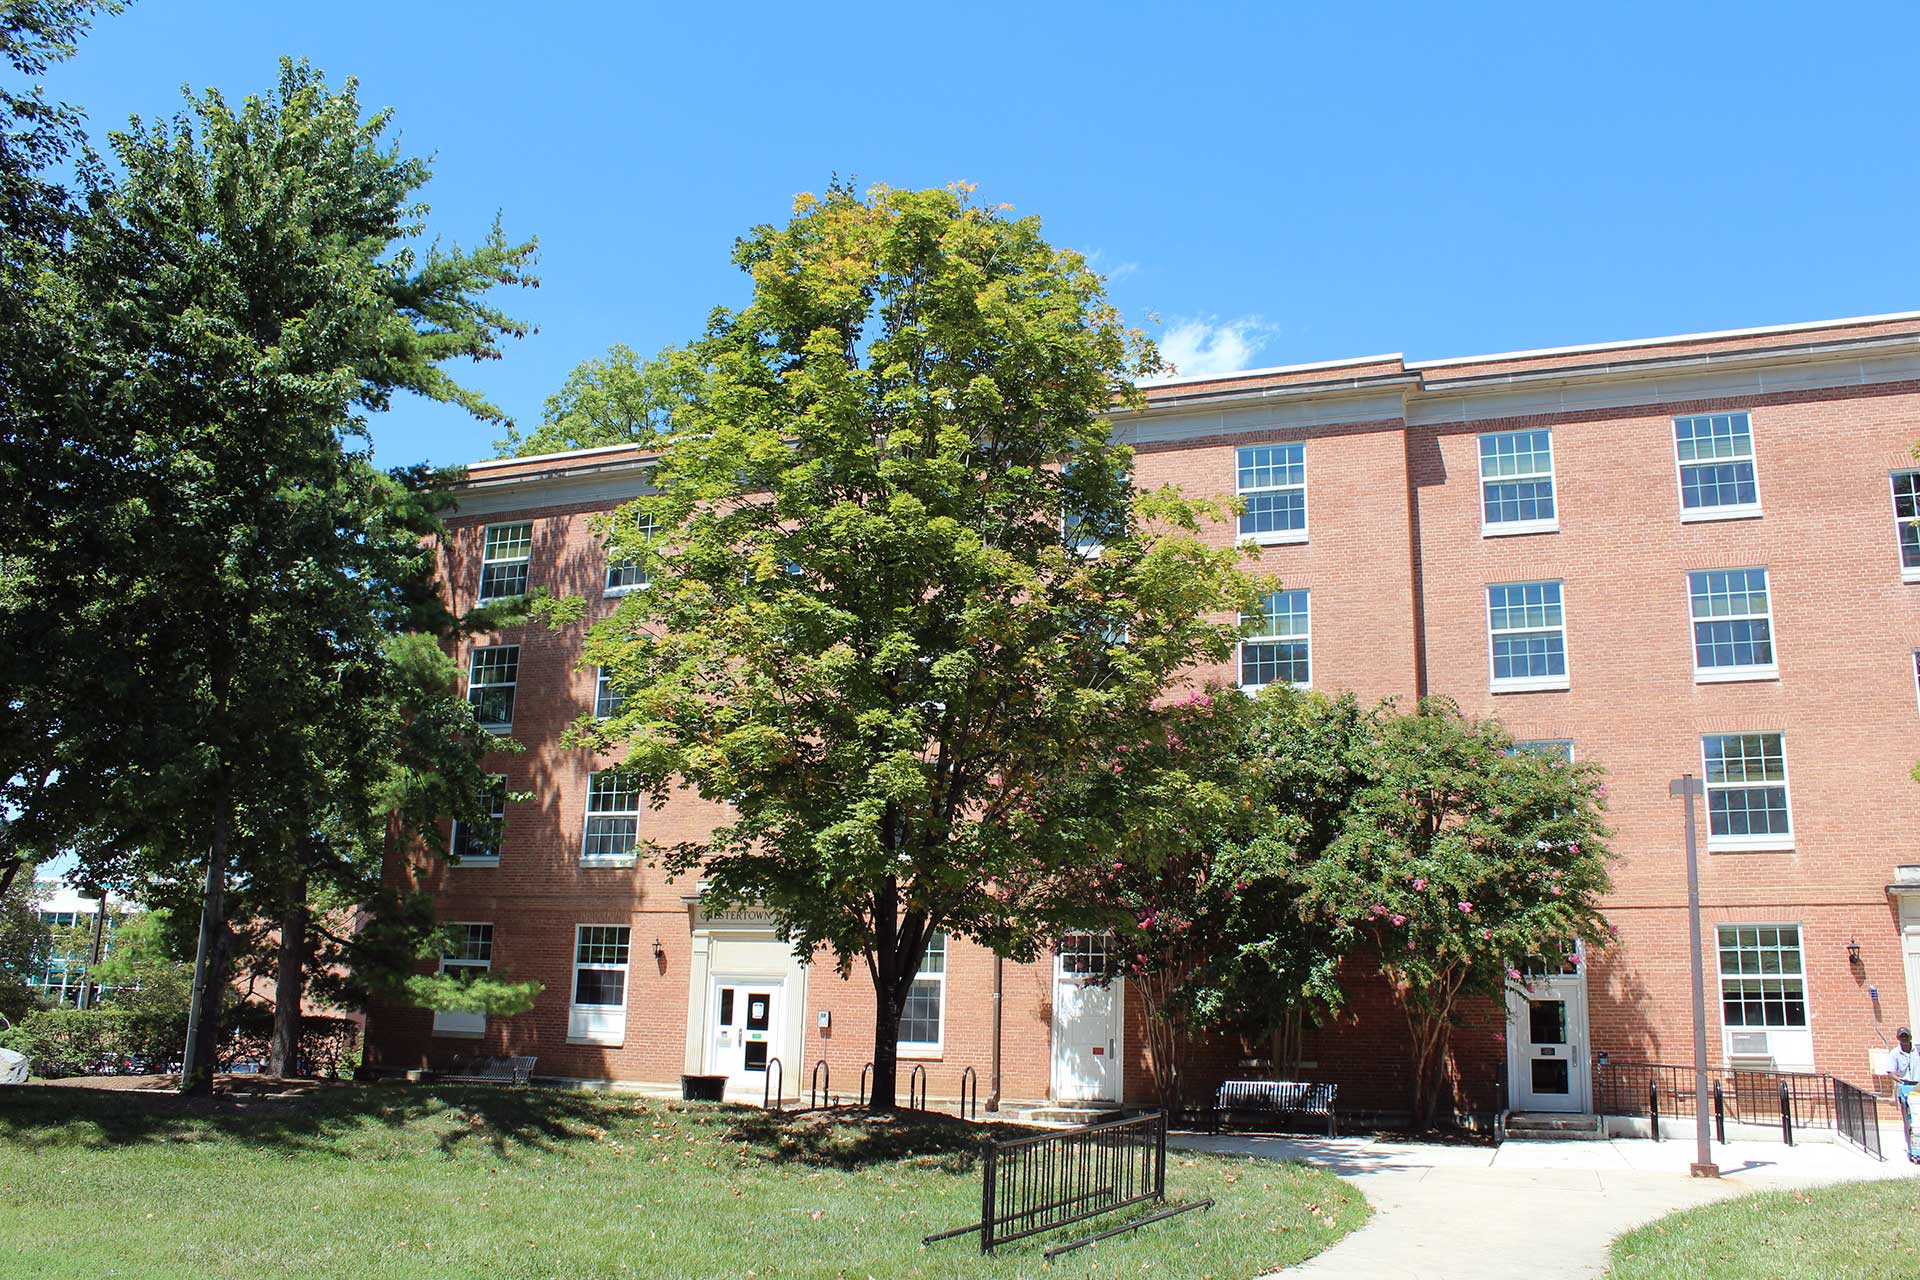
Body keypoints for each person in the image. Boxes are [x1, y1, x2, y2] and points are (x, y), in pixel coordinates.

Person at [1888, 1027, 1920, 1164]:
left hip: (1918, 1085)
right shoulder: (1894, 1054)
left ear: (1910, 1037)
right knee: (1909, 1120)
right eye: (1901, 1037)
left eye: (1906, 1037)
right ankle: (1913, 1151)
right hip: (1904, 1086)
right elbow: (1890, 1072)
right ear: (1898, 1038)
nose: (1904, 1039)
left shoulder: (1918, 1050)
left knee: (1918, 1121)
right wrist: (1901, 1081)